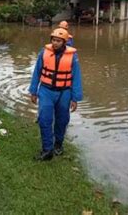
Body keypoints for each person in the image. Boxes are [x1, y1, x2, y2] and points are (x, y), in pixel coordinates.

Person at [29, 28, 83, 161]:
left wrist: (75, 98)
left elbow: (76, 78)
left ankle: (58, 144)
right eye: (53, 40)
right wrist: (33, 91)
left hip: (64, 92)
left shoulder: (72, 57)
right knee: (44, 119)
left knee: (62, 120)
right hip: (46, 91)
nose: (55, 43)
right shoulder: (44, 53)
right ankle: (47, 150)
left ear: (64, 42)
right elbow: (37, 72)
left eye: (58, 41)